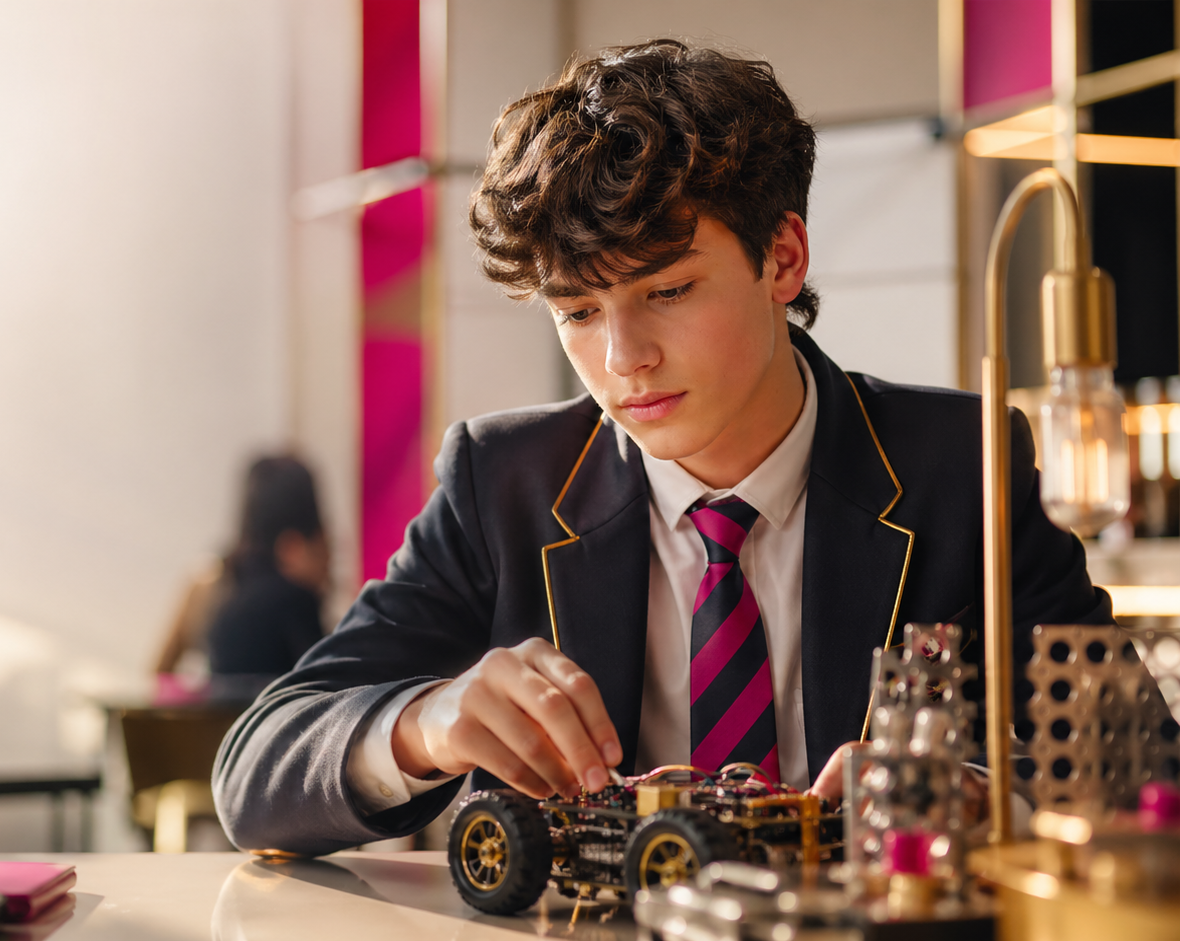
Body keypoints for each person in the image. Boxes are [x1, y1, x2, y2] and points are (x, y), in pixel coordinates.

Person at [211, 41, 1112, 856]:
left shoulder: (959, 465)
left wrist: (993, 803)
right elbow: (255, 769)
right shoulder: (505, 483)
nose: (622, 359)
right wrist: (425, 722)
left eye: (669, 290)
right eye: (576, 311)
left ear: (784, 258)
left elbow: (1132, 763)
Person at [154, 456, 332, 703]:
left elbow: (159, 675)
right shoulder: (297, 599)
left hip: (223, 736)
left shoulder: (210, 583)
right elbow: (328, 693)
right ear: (297, 542)